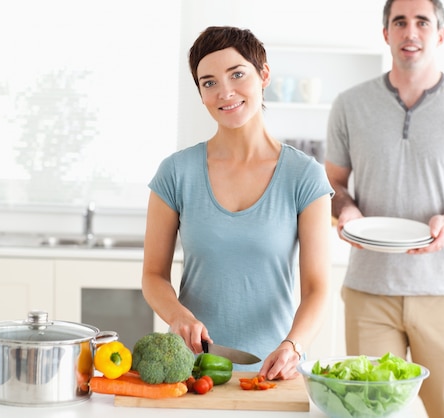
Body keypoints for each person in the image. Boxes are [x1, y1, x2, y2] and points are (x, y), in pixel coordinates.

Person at [325, 1, 444, 417]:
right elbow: (331, 183)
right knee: (368, 411)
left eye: (422, 21)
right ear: (386, 33)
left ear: (440, 34)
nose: (410, 31)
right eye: (399, 22)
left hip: (442, 290)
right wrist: (345, 210)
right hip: (369, 290)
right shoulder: (350, 104)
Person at [141, 26, 333, 380]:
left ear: (264, 76)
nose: (225, 92)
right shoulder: (176, 172)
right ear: (200, 94)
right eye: (209, 82)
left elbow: (317, 288)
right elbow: (153, 276)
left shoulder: (304, 176)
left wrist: (294, 346)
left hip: (273, 370)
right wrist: (178, 316)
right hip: (190, 369)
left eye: (237, 74)